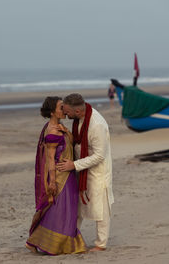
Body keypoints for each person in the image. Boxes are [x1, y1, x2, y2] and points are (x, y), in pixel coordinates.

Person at [26, 96, 87, 255]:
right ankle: (44, 242)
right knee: (59, 211)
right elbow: (50, 159)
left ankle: (36, 241)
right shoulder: (52, 130)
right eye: (61, 107)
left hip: (68, 173)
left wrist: (67, 132)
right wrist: (52, 182)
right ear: (53, 112)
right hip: (60, 176)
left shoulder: (59, 127)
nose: (64, 109)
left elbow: (71, 145)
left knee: (64, 210)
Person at [57, 94, 114, 252]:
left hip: (98, 171)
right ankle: (70, 238)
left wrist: (74, 165)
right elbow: (77, 142)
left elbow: (99, 155)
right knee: (77, 206)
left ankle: (101, 244)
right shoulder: (78, 120)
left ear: (77, 110)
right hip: (81, 168)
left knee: (101, 207)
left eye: (67, 111)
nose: (65, 114)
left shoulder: (96, 125)